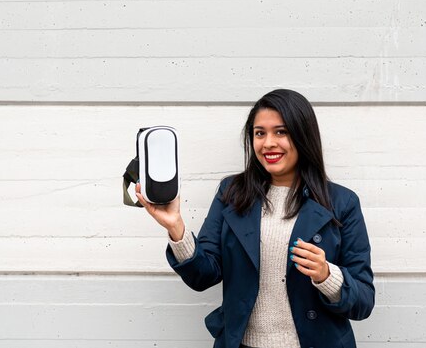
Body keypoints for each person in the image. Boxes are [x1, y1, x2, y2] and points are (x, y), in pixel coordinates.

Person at [136, 89, 374, 348]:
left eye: (281, 132)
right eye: (260, 133)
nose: (268, 143)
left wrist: (327, 275)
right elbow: (203, 276)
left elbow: (363, 302)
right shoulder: (232, 193)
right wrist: (177, 229)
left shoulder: (342, 202)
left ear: (303, 135)